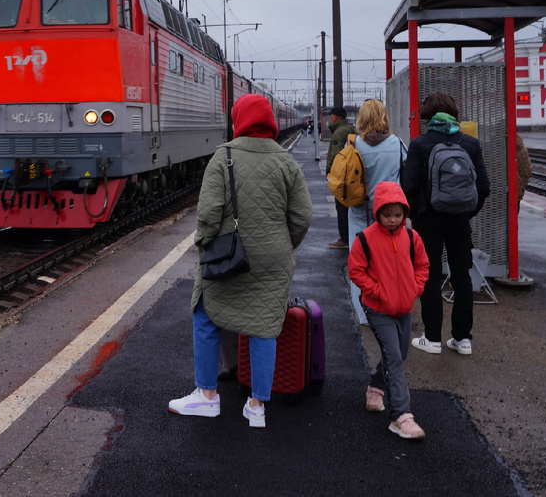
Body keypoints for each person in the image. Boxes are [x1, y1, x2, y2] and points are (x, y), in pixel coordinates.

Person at [169, 93, 313, 428]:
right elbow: (303, 216)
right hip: (274, 259)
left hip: (228, 256)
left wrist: (204, 244)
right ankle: (257, 406)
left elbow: (208, 214)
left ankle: (206, 396)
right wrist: (284, 246)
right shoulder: (286, 161)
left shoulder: (223, 157)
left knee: (205, 315)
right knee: (264, 328)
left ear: (239, 121)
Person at [400, 91, 490, 357]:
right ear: (454, 113)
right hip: (460, 221)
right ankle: (463, 339)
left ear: (428, 114)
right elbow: (483, 186)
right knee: (461, 276)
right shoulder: (470, 144)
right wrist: (468, 212)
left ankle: (432, 338)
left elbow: (409, 187)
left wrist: (418, 215)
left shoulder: (419, 144)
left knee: (429, 275)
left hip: (428, 220)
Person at [347, 181, 430, 440]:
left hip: (404, 306)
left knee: (399, 353)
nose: (392, 220)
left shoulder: (411, 237)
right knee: (394, 356)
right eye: (387, 214)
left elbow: (422, 265)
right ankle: (401, 416)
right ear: (377, 212)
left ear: (404, 213)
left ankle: (376, 386)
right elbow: (356, 270)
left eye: (397, 215)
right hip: (378, 308)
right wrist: (377, 292)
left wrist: (414, 289)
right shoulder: (365, 239)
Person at [347, 99, 408, 233]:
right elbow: (407, 171)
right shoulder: (397, 143)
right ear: (384, 116)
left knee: (361, 248)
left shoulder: (353, 144)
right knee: (387, 249)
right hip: (389, 208)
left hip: (361, 207)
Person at [326, 106, 357, 249]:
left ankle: (344, 239)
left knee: (341, 206)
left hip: (342, 177)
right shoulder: (350, 128)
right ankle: (349, 236)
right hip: (351, 174)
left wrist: (331, 175)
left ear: (334, 117)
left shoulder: (339, 132)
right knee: (349, 207)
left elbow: (336, 156)